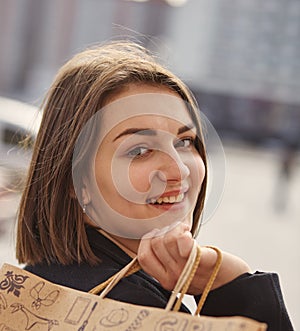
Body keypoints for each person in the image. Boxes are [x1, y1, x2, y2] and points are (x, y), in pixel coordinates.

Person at [16, 41, 293, 331]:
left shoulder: (32, 289)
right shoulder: (134, 310)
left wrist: (221, 277)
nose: (179, 169)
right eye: (139, 150)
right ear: (75, 181)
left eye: (184, 142)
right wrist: (234, 283)